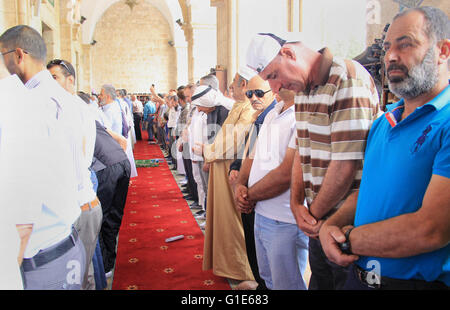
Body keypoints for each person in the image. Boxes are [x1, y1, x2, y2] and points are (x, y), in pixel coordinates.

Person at [319, 6, 450, 290]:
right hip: (360, 277)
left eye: (406, 44)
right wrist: (332, 224)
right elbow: (366, 189)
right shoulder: (383, 123)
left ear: (443, 51)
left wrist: (348, 239)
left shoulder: (446, 121)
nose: (390, 56)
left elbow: (431, 230)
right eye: (388, 47)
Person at [246, 31, 381, 289]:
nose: (274, 88)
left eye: (273, 76)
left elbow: (344, 166)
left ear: (289, 53)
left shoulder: (346, 78)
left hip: (348, 225)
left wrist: (310, 214)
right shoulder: (304, 91)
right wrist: (297, 204)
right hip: (318, 225)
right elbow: (300, 152)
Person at [0, 25, 88, 289]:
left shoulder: (25, 102)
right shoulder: (66, 99)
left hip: (41, 256)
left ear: (18, 55)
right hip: (65, 238)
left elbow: (22, 196)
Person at [234, 87, 309, 290]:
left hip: (284, 218)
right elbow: (253, 154)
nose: (277, 81)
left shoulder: (304, 114)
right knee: (267, 278)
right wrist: (241, 183)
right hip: (261, 212)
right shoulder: (274, 112)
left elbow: (287, 173)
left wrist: (249, 195)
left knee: (287, 284)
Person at [47, 59, 103, 290]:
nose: (48, 85)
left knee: (78, 273)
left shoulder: (71, 109)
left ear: (70, 80)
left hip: (79, 201)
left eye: (54, 78)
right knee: (81, 270)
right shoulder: (62, 107)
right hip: (76, 200)